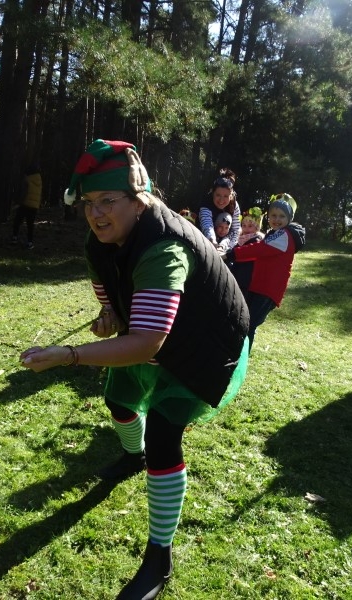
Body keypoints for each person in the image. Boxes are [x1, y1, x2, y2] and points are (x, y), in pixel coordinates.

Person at [25, 139, 250, 600]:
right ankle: (133, 457)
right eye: (88, 203)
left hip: (205, 342)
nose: (96, 214)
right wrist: (109, 314)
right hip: (158, 332)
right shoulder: (100, 240)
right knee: (118, 399)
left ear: (139, 198)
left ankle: (158, 558)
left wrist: (69, 355)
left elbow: (148, 341)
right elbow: (108, 291)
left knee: (164, 434)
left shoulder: (164, 248)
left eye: (108, 200)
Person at [226, 193, 305, 347]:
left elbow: (258, 249)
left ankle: (241, 355)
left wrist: (230, 255)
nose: (276, 219)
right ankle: (238, 353)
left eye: (282, 216)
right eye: (273, 215)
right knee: (246, 323)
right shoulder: (276, 234)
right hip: (259, 287)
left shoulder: (285, 235)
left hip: (267, 290)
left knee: (248, 325)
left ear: (289, 218)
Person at [197, 168, 241, 250]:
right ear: (213, 193)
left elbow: (236, 230)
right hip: (203, 240)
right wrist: (212, 240)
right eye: (218, 195)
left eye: (226, 196)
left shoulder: (234, 205)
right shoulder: (206, 203)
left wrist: (225, 247)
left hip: (226, 244)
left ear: (231, 196)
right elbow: (207, 225)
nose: (221, 200)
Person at [11, 162, 42, 249]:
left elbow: (24, 192)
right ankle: (30, 242)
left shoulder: (27, 179)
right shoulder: (39, 180)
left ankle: (14, 237)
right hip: (34, 206)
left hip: (25, 204)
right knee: (30, 224)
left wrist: (18, 202)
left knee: (17, 221)